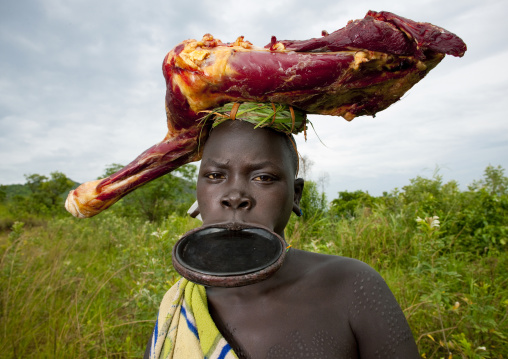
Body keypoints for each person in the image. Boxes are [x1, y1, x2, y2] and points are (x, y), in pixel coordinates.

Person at [145, 119, 420, 358]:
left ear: (296, 195)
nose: (235, 196)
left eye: (263, 177)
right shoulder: (179, 306)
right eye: (215, 176)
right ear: (198, 190)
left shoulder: (351, 285)